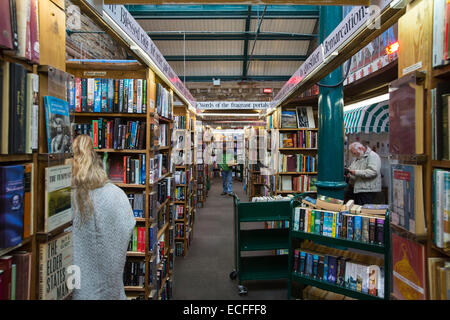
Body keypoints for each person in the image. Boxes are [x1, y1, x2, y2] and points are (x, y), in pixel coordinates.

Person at [71, 134, 135, 300]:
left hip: (78, 292)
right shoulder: (117, 194)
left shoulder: (67, 200)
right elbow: (128, 227)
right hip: (113, 290)